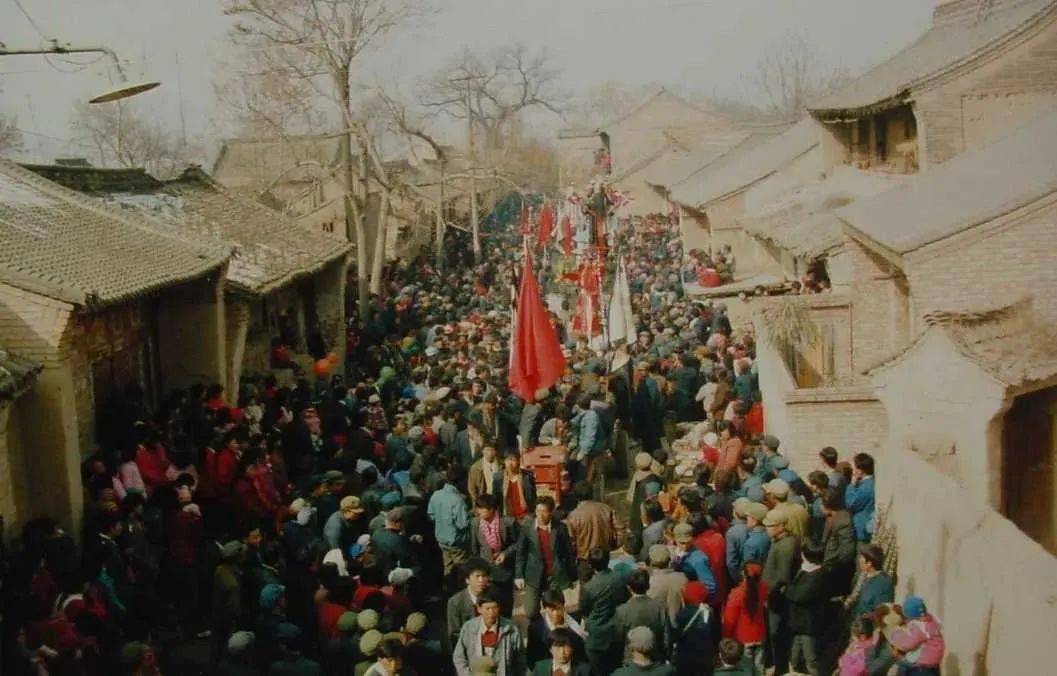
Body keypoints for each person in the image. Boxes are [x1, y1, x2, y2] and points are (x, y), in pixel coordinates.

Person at [516, 496, 576, 620]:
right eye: (538, 511)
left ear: (551, 512)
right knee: (531, 611)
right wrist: (519, 575)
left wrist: (572, 576)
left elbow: (568, 553)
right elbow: (521, 553)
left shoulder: (560, 528)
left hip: (554, 575)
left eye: (544, 511)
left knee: (556, 609)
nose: (541, 515)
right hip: (533, 574)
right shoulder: (528, 527)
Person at [579, 546, 628, 676]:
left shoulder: (589, 587)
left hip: (596, 635)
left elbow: (583, 609)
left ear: (591, 564)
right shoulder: (619, 578)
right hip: (616, 632)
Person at [762, 509, 800, 675]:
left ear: (781, 526)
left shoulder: (785, 546)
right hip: (772, 593)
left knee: (776, 633)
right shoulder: (779, 541)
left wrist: (768, 593)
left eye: (770, 526)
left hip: (777, 596)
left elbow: (782, 576)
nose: (767, 529)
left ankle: (780, 667)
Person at [453, 591, 526, 676]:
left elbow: (520, 659)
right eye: (487, 609)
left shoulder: (511, 629)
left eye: (494, 608)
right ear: (479, 609)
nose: (491, 613)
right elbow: (459, 657)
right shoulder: (469, 628)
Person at [471, 493, 520, 613]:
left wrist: (505, 553)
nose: (478, 512)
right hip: (485, 572)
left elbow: (520, 543)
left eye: (481, 509)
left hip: (505, 572)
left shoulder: (509, 523)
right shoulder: (475, 523)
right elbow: (474, 548)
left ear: (492, 509)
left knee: (505, 604)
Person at [428, 465, 472, 588]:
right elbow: (462, 524)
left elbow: (431, 516)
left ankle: (448, 593)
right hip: (458, 544)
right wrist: (471, 516)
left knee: (448, 569)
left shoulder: (436, 495)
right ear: (460, 481)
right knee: (462, 573)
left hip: (442, 541)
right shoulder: (457, 500)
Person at [785, 543, 825, 676]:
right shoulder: (806, 569)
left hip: (808, 624)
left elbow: (798, 595)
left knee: (810, 657)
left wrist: (785, 589)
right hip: (799, 621)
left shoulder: (815, 576)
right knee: (794, 654)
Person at [614, 568, 671, 661]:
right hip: (655, 658)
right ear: (648, 586)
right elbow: (667, 640)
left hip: (631, 660)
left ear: (628, 587)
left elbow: (618, 640)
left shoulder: (622, 611)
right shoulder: (660, 608)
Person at [722, 561, 768, 673]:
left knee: (745, 670)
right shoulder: (764, 589)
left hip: (742, 638)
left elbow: (730, 620)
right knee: (759, 668)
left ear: (743, 573)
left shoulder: (737, 594)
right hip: (760, 634)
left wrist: (726, 637)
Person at [526, 589, 587, 667]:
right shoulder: (536, 629)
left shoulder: (575, 623)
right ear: (544, 609)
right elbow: (532, 658)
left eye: (559, 608)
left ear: (563, 607)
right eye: (552, 610)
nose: (556, 613)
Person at [885, 597, 945, 675]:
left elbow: (907, 644)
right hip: (934, 665)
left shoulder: (920, 627)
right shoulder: (932, 621)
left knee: (902, 665)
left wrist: (895, 634)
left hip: (922, 666)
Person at [565, 481, 617, 566]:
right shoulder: (606, 509)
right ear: (592, 493)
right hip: (605, 557)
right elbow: (620, 530)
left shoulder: (573, 516)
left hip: (584, 559)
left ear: (576, 497)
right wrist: (613, 546)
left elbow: (571, 541)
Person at [672, 581, 717, 676]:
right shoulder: (709, 611)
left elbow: (676, 635)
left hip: (686, 656)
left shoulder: (683, 614)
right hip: (705, 656)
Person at [448, 558, 493, 650]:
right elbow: (454, 633)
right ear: (467, 580)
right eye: (477, 576)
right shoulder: (455, 602)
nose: (481, 580)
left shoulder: (492, 598)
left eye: (484, 576)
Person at [820, 487, 856, 598]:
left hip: (836, 569)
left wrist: (833, 564)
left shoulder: (843, 522)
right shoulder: (830, 517)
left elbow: (847, 551)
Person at [646, 545, 687, 625]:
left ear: (650, 562)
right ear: (669, 560)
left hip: (661, 627)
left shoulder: (650, 582)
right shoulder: (683, 578)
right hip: (682, 625)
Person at [850, 544, 893, 620]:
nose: (859, 560)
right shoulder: (866, 576)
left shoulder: (883, 583)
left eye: (861, 558)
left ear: (869, 563)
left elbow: (880, 614)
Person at [493, 451, 536, 520]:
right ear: (504, 461)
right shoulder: (498, 477)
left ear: (518, 461)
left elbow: (533, 496)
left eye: (513, 460)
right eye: (508, 460)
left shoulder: (527, 475)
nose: (510, 463)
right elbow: (495, 497)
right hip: (506, 514)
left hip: (525, 513)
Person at [844, 453, 875, 543]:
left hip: (861, 529)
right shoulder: (869, 482)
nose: (852, 470)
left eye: (854, 468)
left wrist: (852, 485)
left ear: (860, 470)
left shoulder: (866, 487)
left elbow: (850, 503)